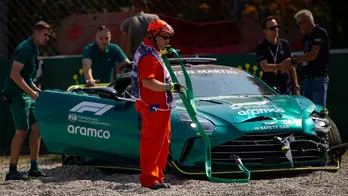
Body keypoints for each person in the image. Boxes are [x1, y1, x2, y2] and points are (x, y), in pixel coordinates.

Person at [131, 19, 184, 189]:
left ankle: (157, 176)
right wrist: (171, 87)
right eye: (165, 37)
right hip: (153, 106)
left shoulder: (152, 51)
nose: (168, 41)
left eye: (169, 38)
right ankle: (149, 179)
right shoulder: (148, 56)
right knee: (152, 143)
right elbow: (148, 82)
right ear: (154, 35)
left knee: (162, 142)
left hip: (160, 106)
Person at [2, 21, 51, 180]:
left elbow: (26, 76)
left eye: (48, 35)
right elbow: (14, 75)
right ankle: (12, 171)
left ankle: (34, 167)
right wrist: (30, 92)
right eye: (45, 35)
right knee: (21, 131)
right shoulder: (25, 48)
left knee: (37, 128)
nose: (47, 38)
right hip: (16, 94)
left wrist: (35, 88)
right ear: (36, 32)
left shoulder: (34, 48)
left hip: (25, 92)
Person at [285, 9, 330, 109]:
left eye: (299, 24)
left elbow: (313, 54)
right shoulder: (306, 37)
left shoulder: (320, 32)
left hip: (318, 79)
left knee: (318, 112)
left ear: (307, 21)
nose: (299, 27)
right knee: (306, 113)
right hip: (306, 80)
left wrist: (293, 61)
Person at [256, 16, 300, 95]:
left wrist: (296, 86)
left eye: (277, 27)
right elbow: (265, 67)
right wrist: (283, 65)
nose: (276, 29)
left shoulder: (284, 44)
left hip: (286, 86)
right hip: (269, 88)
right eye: (272, 28)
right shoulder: (261, 47)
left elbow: (292, 66)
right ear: (265, 31)